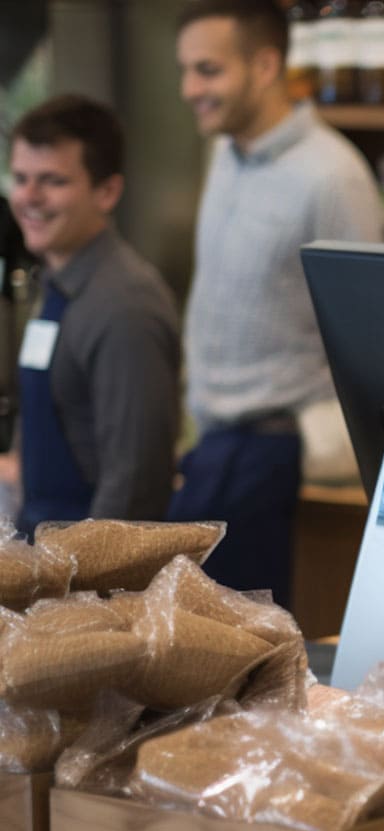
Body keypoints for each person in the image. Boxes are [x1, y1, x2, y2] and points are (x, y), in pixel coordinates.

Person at [172, 0, 382, 607]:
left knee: (244, 672)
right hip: (211, 445)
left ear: (265, 66)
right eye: (186, 71)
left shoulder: (333, 177)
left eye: (208, 70)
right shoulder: (223, 155)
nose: (190, 90)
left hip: (275, 456)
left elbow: (367, 340)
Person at [5, 94, 180, 534]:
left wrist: (88, 594)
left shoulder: (125, 306)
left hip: (86, 583)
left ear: (108, 191)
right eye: (20, 178)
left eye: (52, 181)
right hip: (42, 559)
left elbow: (135, 486)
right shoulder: (55, 285)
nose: (29, 197)